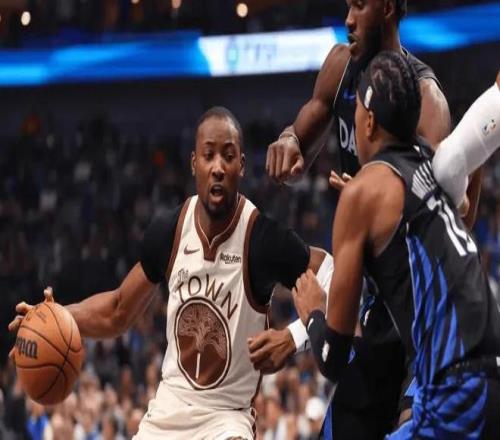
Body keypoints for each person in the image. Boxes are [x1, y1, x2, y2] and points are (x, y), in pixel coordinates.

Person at [9, 106, 333, 439]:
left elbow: (331, 273)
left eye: (228, 156)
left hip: (226, 418)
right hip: (168, 413)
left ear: (241, 166)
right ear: (194, 164)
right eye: (208, 155)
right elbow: (118, 310)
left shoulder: (262, 238)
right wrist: (55, 316)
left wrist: (294, 337)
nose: (218, 167)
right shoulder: (169, 230)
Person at [252, 0, 456, 437]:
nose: (347, 18)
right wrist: (289, 141)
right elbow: (302, 135)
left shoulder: (426, 100)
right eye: (347, 4)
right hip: (377, 311)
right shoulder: (341, 66)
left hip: (423, 317)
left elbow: (446, 225)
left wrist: (378, 206)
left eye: (359, 5)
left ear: (388, 7)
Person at [292, 50, 500, 439]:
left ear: (369, 122)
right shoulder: (433, 166)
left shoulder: (366, 189)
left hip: (455, 394)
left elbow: (332, 359)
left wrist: (313, 314)